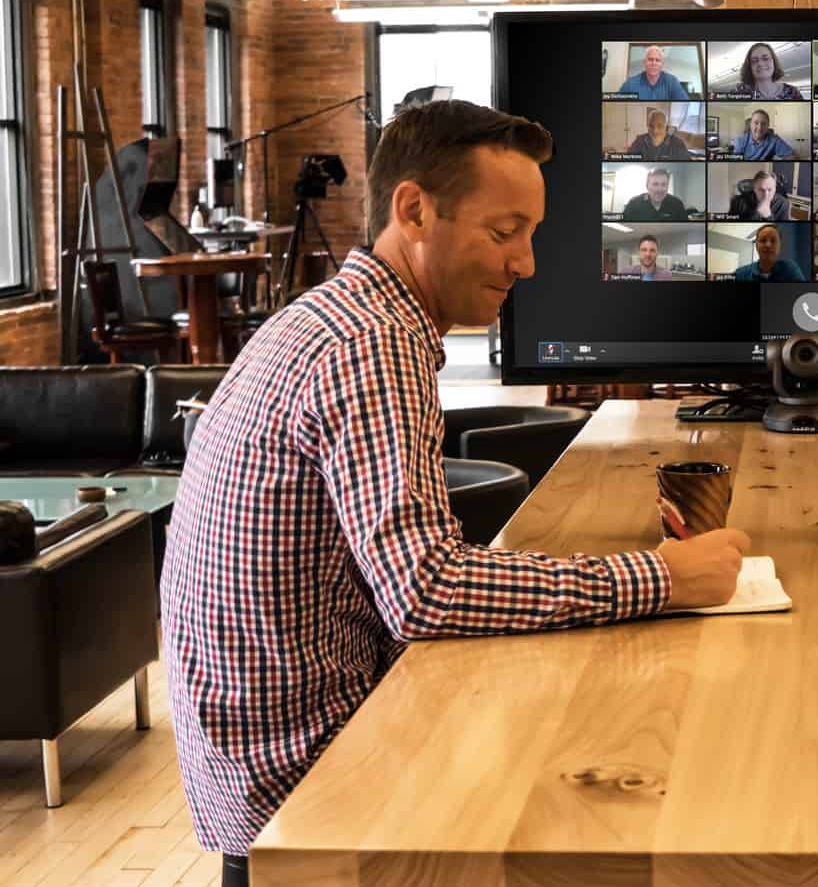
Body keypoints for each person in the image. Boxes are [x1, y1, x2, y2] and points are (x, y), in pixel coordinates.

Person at [160, 100, 750, 885]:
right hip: (310, 787)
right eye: (504, 233)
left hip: (251, 760)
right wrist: (662, 577)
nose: (526, 264)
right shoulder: (373, 344)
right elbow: (427, 591)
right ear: (413, 210)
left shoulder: (338, 316)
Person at [726, 42, 805, 100]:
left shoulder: (792, 92)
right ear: (749, 67)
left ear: (773, 61)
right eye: (754, 61)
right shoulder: (739, 91)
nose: (760, 63)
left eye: (765, 58)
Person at [733, 223, 805, 282]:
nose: (768, 245)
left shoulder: (790, 269)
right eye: (763, 240)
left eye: (773, 241)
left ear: (780, 246)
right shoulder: (740, 274)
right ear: (756, 245)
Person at [618, 45, 691, 100]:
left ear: (662, 64)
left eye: (657, 60)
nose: (654, 63)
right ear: (644, 62)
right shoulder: (630, 84)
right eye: (650, 59)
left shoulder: (672, 81)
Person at [620, 168, 690, 221]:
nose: (659, 189)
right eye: (655, 184)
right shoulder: (633, 204)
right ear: (647, 186)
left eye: (664, 184)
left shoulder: (677, 204)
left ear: (667, 186)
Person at [625, 109, 693, 161]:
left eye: (660, 126)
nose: (655, 131)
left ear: (666, 127)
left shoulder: (678, 144)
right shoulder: (639, 141)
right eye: (651, 126)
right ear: (647, 126)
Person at [729, 109, 796, 161]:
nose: (760, 127)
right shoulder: (740, 140)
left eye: (763, 124)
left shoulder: (774, 139)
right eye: (756, 123)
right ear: (751, 125)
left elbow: (792, 156)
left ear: (768, 126)